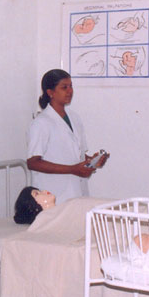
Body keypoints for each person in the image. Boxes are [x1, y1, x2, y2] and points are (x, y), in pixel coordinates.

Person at [27, 69, 108, 204]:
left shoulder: (75, 118)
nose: (70, 91)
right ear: (50, 92)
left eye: (71, 86)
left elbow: (77, 154)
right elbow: (33, 163)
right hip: (53, 194)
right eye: (64, 87)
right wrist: (73, 169)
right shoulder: (41, 123)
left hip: (77, 191)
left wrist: (92, 161)